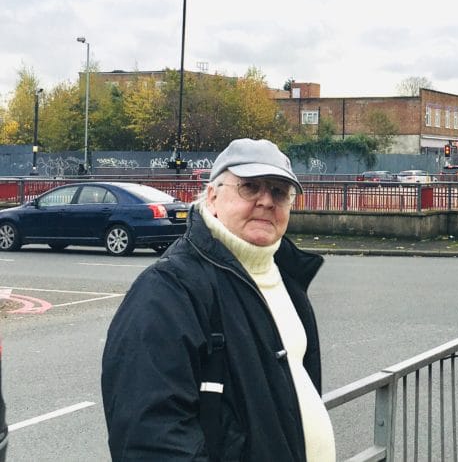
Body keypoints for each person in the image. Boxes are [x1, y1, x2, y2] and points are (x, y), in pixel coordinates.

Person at [101, 138, 335, 461]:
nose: (267, 201)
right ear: (212, 196)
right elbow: (150, 439)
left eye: (279, 192)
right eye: (250, 187)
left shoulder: (286, 276)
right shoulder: (168, 290)